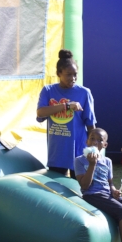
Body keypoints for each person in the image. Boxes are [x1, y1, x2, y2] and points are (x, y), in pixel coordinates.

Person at [37, 49, 96, 179]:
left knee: (81, 188)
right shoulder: (48, 90)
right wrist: (67, 106)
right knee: (55, 188)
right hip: (57, 152)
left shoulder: (84, 93)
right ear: (59, 73)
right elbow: (40, 113)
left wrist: (94, 147)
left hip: (79, 150)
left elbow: (91, 125)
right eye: (69, 74)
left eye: (75, 74)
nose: (73, 78)